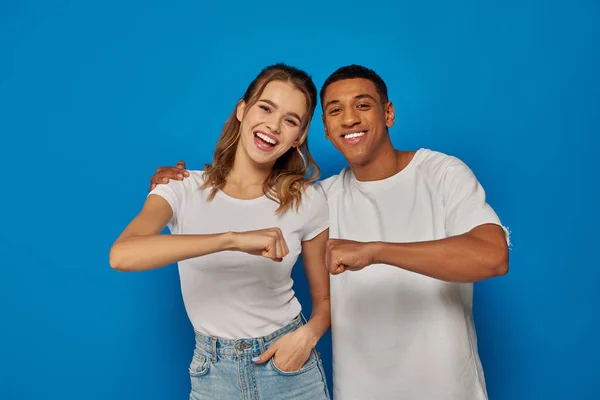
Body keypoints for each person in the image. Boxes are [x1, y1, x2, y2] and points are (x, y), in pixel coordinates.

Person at [150, 65, 510, 400]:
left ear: (388, 114)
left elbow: (492, 257)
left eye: (362, 105)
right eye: (335, 110)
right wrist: (178, 185)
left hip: (447, 388)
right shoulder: (319, 198)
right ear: (323, 128)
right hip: (356, 390)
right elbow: (242, 205)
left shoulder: (441, 173)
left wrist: (375, 251)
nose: (350, 118)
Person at [111, 63, 331, 400]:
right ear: (242, 110)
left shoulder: (308, 200)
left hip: (289, 368)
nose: (273, 126)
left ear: (299, 136)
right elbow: (122, 255)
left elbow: (327, 300)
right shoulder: (181, 188)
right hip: (212, 373)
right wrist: (232, 240)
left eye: (290, 120)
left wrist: (308, 336)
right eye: (265, 108)